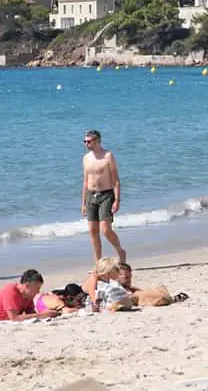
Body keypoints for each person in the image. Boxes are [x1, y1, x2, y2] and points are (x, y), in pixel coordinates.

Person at [81, 130, 126, 263]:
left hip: (106, 194)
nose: (86, 144)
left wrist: (117, 200)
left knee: (106, 229)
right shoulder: (86, 158)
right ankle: (98, 262)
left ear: (97, 141)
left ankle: (120, 251)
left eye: (88, 141)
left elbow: (116, 180)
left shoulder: (108, 156)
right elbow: (85, 182)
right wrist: (83, 203)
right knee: (92, 230)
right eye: (85, 141)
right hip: (90, 195)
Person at [117, 262, 188, 306]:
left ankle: (171, 298)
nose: (129, 280)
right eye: (126, 277)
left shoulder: (127, 287)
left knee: (159, 288)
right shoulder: (116, 290)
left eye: (130, 277)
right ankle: (172, 299)